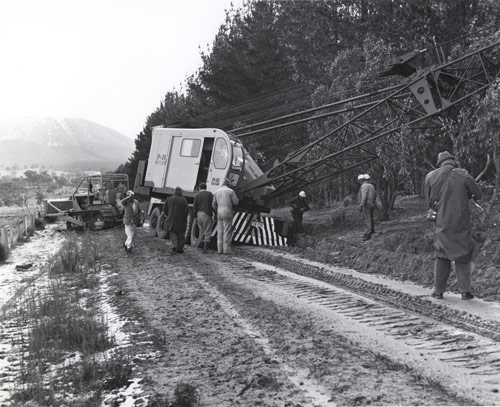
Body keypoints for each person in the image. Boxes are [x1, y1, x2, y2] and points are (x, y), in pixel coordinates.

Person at [425, 151, 483, 300]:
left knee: (441, 255)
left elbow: (428, 202)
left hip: (441, 222)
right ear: (453, 162)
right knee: (463, 255)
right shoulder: (462, 174)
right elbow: (478, 194)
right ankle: (465, 291)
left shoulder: (430, 176)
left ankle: (438, 292)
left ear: (439, 163)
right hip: (460, 222)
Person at [212, 178, 239, 254]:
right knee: (227, 231)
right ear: (229, 184)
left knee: (220, 231)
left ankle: (219, 250)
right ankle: (226, 250)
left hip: (219, 211)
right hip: (227, 210)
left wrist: (216, 211)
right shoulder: (230, 191)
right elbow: (236, 202)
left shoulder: (217, 191)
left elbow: (213, 204)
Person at [162, 186, 189, 254]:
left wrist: (168, 216)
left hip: (171, 220)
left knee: (173, 233)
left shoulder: (169, 199)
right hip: (181, 220)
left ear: (174, 192)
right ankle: (180, 248)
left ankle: (174, 247)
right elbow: (187, 211)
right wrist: (184, 217)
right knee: (181, 235)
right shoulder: (184, 200)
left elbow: (164, 209)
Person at [193, 182, 214, 253]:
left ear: (199, 188)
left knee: (201, 230)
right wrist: (215, 213)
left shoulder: (197, 195)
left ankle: (200, 245)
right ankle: (205, 249)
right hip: (206, 214)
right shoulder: (210, 194)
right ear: (206, 188)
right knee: (207, 231)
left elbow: (195, 207)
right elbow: (213, 204)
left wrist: (195, 216)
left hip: (199, 214)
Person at [358, 174, 376, 241]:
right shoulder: (371, 185)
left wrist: (361, 205)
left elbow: (364, 197)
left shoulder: (364, 186)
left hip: (367, 204)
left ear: (361, 180)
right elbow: (375, 195)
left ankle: (368, 234)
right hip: (372, 203)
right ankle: (372, 231)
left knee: (367, 219)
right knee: (370, 218)